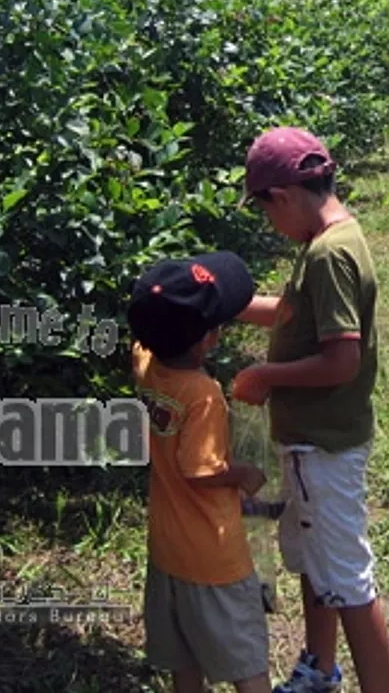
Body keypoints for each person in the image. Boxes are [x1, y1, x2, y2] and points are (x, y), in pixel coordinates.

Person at [230, 126, 389, 693]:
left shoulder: (328, 255)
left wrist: (264, 376)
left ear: (281, 197)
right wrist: (227, 304)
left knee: (347, 580)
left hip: (321, 448)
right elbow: (296, 315)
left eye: (265, 213)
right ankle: (318, 668)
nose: (270, 227)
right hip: (312, 443)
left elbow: (341, 361)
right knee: (314, 565)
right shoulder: (330, 239)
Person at [128, 252, 272, 693]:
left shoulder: (147, 365)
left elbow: (140, 344)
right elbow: (200, 469)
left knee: (184, 662)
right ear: (206, 341)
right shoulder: (203, 395)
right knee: (247, 666)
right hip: (214, 558)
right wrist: (242, 474)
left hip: (168, 551)